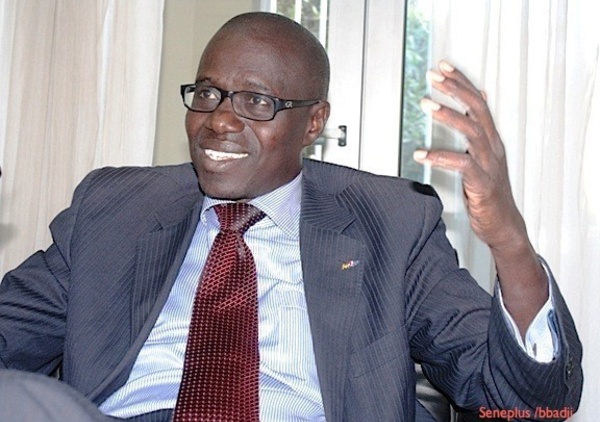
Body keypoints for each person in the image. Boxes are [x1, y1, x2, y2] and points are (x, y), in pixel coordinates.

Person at [0, 11, 582, 422]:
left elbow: (528, 405)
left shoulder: (392, 223)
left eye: (257, 102)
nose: (219, 120)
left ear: (313, 122)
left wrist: (510, 244)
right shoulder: (114, 209)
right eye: (206, 93)